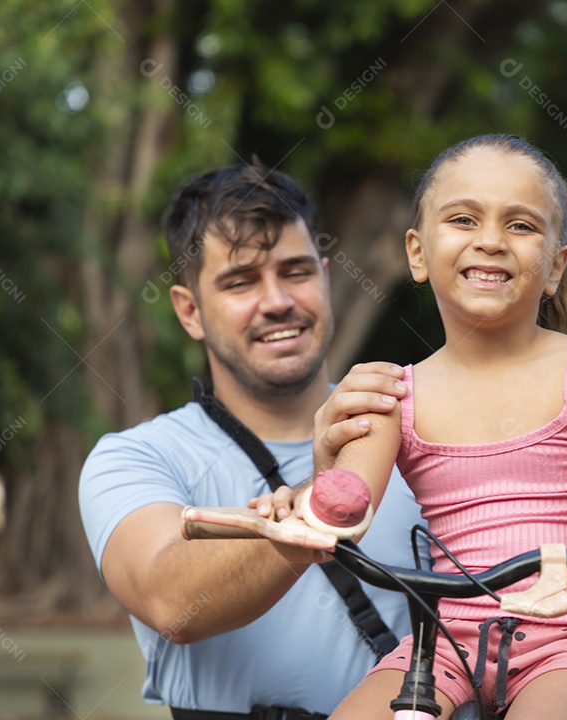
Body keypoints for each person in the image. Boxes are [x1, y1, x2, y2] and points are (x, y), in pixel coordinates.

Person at [260, 134, 567, 720]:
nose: (490, 240)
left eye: (521, 226)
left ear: (556, 266)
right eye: (463, 219)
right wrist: (305, 508)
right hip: (445, 640)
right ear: (416, 253)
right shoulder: (391, 394)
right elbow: (345, 509)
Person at [78, 160, 423, 719]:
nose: (277, 300)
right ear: (189, 311)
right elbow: (172, 603)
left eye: (296, 271)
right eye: (240, 281)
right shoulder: (136, 458)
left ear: (325, 277)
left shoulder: (414, 426)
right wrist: (320, 504)